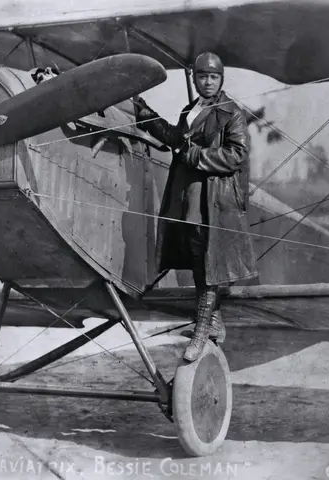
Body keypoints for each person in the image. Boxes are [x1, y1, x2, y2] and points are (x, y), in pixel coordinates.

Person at [133, 52, 258, 362]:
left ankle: (202, 330)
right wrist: (146, 114)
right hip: (188, 195)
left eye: (213, 77)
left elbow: (236, 155)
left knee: (207, 262)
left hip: (212, 200)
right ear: (195, 79)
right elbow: (177, 138)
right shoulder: (192, 109)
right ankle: (214, 323)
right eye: (202, 76)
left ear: (221, 79)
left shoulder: (232, 114)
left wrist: (195, 157)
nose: (208, 81)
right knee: (195, 255)